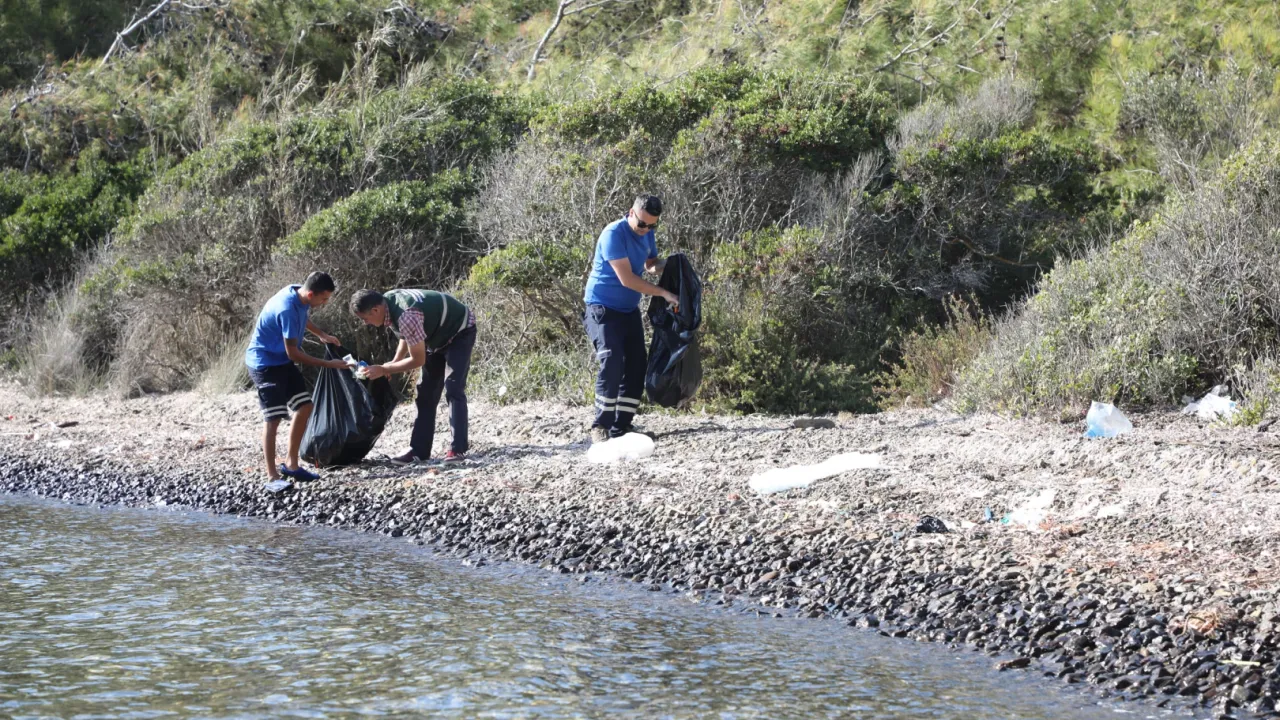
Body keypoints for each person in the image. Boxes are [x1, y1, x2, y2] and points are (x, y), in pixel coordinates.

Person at [583, 194, 680, 444]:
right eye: (642, 224)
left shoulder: (647, 233)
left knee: (637, 364)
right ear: (631, 213)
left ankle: (622, 425)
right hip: (602, 308)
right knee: (612, 360)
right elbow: (627, 279)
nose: (645, 229)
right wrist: (663, 293)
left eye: (652, 226)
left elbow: (649, 264)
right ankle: (601, 425)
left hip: (628, 310)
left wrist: (670, 264)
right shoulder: (613, 234)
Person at [349, 288, 476, 466]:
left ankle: (458, 449)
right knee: (425, 393)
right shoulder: (389, 304)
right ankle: (419, 451)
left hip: (459, 330)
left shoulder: (406, 314)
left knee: (453, 387)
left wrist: (385, 368)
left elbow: (418, 359)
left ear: (375, 310)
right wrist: (394, 363)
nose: (365, 323)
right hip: (435, 336)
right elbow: (406, 335)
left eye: (365, 318)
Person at [245, 271, 347, 484]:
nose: (325, 303)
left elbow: (303, 317)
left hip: (282, 361)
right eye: (323, 299)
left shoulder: (297, 292)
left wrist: (322, 334)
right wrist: (329, 364)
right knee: (273, 419)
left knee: (305, 406)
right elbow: (294, 354)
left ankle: (291, 465)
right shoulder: (286, 308)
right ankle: (272, 476)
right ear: (311, 294)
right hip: (264, 363)